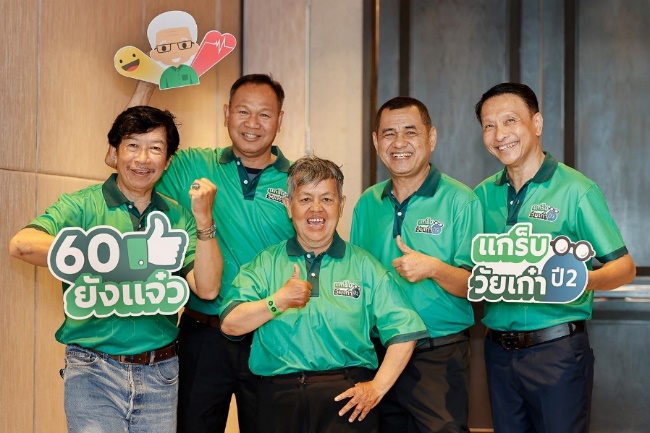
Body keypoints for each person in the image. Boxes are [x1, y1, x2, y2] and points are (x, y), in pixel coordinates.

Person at [9, 106, 223, 432]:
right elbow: (22, 244)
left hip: (161, 372)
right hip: (92, 370)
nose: (142, 159)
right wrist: (105, 254)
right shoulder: (81, 205)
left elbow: (207, 288)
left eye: (155, 148)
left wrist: (204, 218)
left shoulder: (178, 217)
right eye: (132, 145)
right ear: (114, 152)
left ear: (167, 161)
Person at [111, 74, 296, 433]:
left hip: (271, 333)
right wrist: (146, 84)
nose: (252, 123)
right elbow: (119, 156)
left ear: (280, 120)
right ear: (226, 113)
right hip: (202, 334)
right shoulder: (191, 164)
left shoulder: (297, 179)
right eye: (243, 112)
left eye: (264, 114)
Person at [220, 156, 429, 433]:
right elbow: (230, 323)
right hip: (275, 402)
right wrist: (278, 300)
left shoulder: (365, 266)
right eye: (305, 199)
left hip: (347, 403)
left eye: (327, 199)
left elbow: (406, 331)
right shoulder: (265, 263)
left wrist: (377, 388)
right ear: (288, 206)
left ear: (341, 205)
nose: (316, 209)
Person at [474, 82, 636, 433]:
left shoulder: (576, 190)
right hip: (497, 351)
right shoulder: (482, 195)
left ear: (537, 123)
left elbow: (624, 268)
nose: (499, 134)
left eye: (510, 120)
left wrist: (582, 280)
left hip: (556, 352)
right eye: (489, 125)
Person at [351, 96, 483, 433]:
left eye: (410, 132)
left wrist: (433, 268)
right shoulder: (367, 203)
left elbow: (475, 287)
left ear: (431, 138)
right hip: (380, 354)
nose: (399, 143)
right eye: (389, 133)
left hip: (438, 355)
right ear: (376, 142)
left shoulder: (461, 200)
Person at [148, 10, 200, 89]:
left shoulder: (191, 72)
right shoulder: (165, 76)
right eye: (164, 48)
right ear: (154, 54)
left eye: (184, 45)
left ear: (194, 48)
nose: (174, 52)